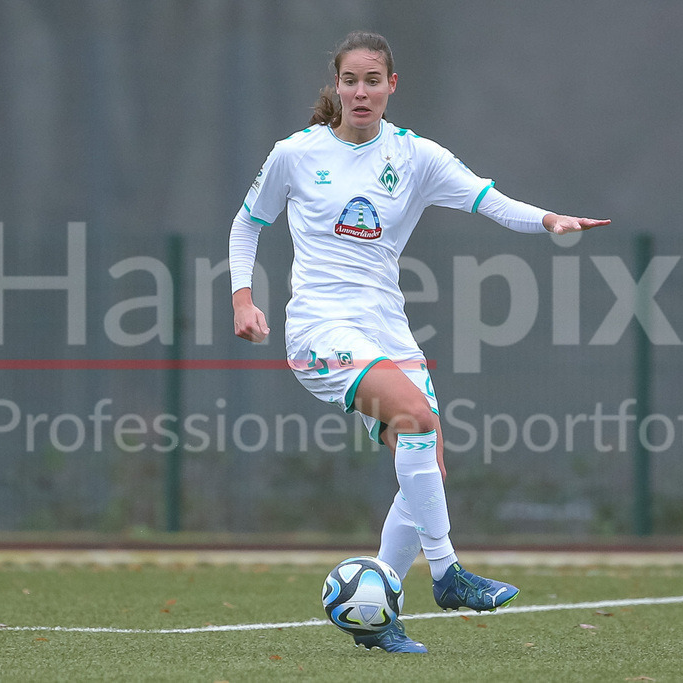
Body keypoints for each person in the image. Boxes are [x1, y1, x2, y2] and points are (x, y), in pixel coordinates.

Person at [229, 30, 610, 653]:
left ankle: (380, 616)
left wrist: (549, 220)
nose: (360, 92)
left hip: (387, 330)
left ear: (391, 87)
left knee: (425, 457)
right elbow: (248, 224)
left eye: (372, 81)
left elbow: (491, 202)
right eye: (350, 81)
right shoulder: (296, 154)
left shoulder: (416, 157)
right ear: (337, 86)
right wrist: (244, 298)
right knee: (416, 415)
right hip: (320, 329)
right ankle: (448, 573)